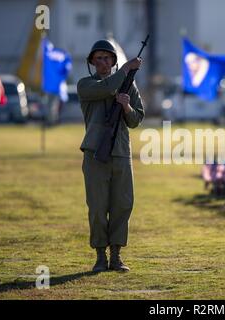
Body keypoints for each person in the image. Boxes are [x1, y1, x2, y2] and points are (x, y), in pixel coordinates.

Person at [77, 39, 144, 272]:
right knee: (97, 207)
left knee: (122, 205)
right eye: (99, 58)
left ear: (113, 61)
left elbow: (136, 120)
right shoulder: (86, 84)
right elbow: (106, 88)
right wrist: (126, 69)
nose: (104, 62)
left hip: (121, 154)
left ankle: (116, 256)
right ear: (92, 62)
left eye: (108, 58)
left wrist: (126, 107)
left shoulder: (128, 86)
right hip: (95, 154)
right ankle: (99, 256)